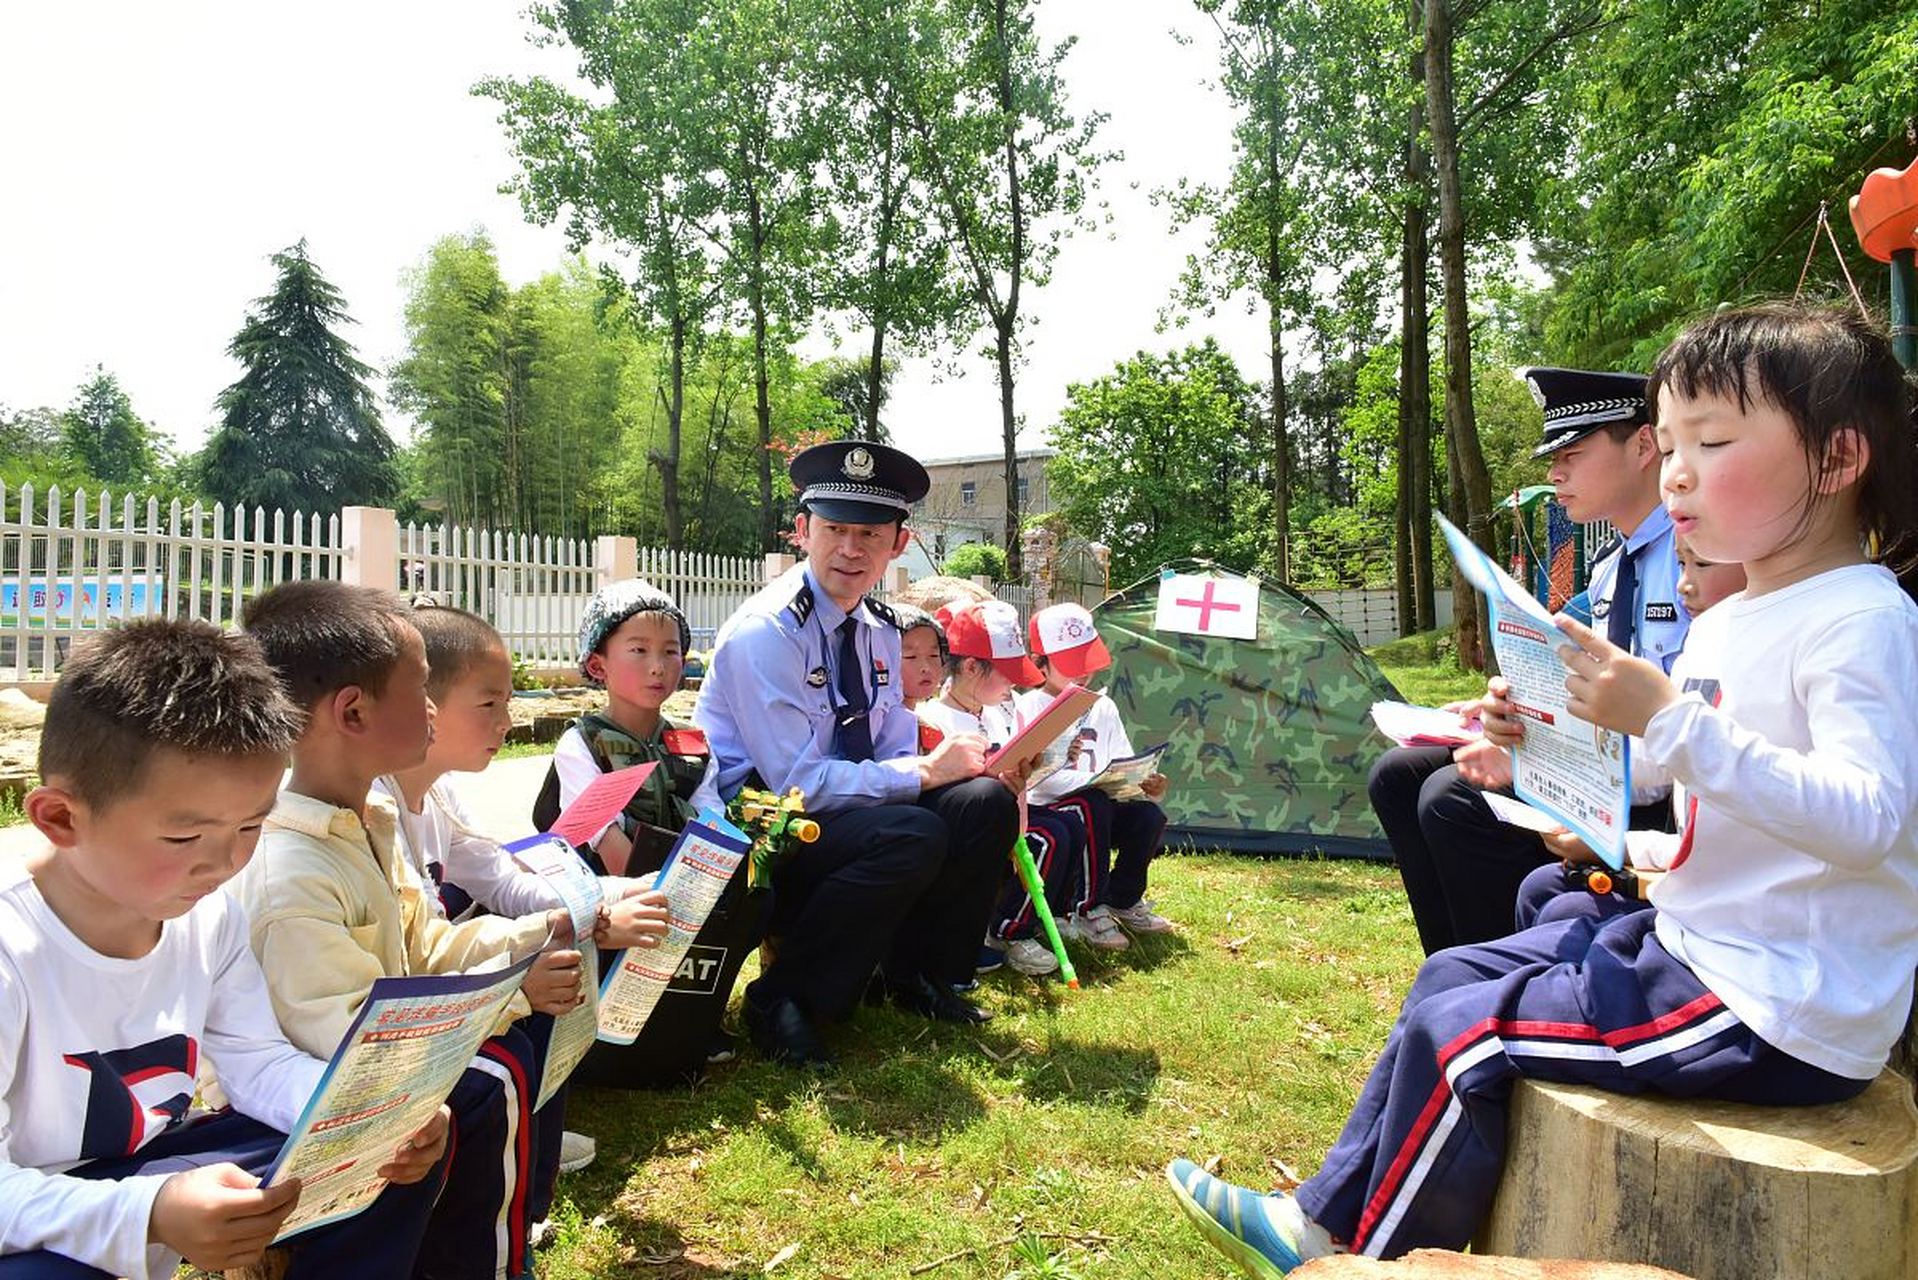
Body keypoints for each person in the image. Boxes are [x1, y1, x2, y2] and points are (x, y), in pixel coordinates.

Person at [1167, 301, 1918, 1273]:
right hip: (1710, 943)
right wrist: (1539, 755)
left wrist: (1663, 717)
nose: (1676, 468)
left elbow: (1870, 820)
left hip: (1779, 1003)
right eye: (1672, 440)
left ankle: (1354, 1250)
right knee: (1471, 955)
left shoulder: (1860, 619)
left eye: (1713, 439)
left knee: (1464, 1028)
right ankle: (1317, 1209)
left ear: (1837, 459)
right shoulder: (1741, 609)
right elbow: (1669, 776)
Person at [1, 620, 447, 1279]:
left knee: (372, 1156)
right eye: (185, 839)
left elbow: (256, 1061)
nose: (223, 863)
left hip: (147, 1165)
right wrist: (148, 1212)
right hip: (30, 1195)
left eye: (250, 825)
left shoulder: (209, 916)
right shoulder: (14, 948)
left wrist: (369, 1111)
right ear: (60, 818)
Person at [233, 580, 584, 1280]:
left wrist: (533, 937)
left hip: (370, 1068)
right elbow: (351, 1040)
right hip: (309, 1106)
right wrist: (515, 989)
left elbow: (428, 949)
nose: (431, 707)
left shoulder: (369, 818)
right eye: (419, 686)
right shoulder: (289, 868)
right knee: (485, 1084)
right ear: (353, 711)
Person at [694, 440, 1019, 1067]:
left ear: (899, 543)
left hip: (840, 813)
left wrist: (972, 766)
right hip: (764, 829)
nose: (850, 549)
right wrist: (923, 772)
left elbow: (890, 740)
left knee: (983, 804)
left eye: (870, 534)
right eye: (834, 529)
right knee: (909, 832)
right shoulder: (767, 632)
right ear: (801, 531)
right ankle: (782, 998)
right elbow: (798, 783)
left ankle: (915, 975)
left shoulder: (878, 627)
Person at [1369, 367, 1691, 954]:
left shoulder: (1696, 559)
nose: (1554, 471)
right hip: (1604, 762)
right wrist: (1507, 706)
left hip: (1651, 795)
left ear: (1644, 445)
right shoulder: (1613, 569)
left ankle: (1504, 982)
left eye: (1573, 451)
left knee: (1451, 802)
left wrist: (1527, 755)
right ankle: (1451, 965)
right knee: (1396, 775)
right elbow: (1574, 677)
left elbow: (1675, 731)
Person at [372, 600, 671, 1231]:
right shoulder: (376, 807)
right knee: (546, 975)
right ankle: (510, 1193)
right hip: (376, 1023)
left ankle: (527, 1145)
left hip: (426, 986)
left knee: (559, 962)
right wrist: (575, 929)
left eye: (509, 702)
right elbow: (418, 952)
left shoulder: (436, 794)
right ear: (422, 702)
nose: (507, 722)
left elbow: (505, 881)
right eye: (489, 705)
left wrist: (609, 899)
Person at [530, 579, 761, 1085]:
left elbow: (710, 813)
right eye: (638, 651)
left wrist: (714, 870)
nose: (658, 666)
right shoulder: (582, 743)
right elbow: (602, 838)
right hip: (616, 887)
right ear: (598, 665)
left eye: (671, 651)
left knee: (756, 901)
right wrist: (660, 887)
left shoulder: (692, 742)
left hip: (689, 877)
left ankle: (699, 1019)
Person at [1511, 534, 1748, 930]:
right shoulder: (1702, 638)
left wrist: (1624, 846)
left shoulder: (1768, 654)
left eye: (1701, 564)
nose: (1683, 584)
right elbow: (1655, 757)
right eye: (1680, 564)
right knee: (1540, 889)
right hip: (1674, 849)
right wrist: (1526, 741)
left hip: (1720, 912)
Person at [914, 599, 1079, 979]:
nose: (1013, 683)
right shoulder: (934, 720)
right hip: (963, 840)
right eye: (1005, 673)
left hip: (1009, 822)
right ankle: (975, 942)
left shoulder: (999, 712)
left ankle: (986, 936)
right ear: (971, 667)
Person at [1022, 602, 1175, 938]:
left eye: (1085, 662)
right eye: (1069, 663)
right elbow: (1036, 780)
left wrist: (1144, 781)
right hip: (1052, 808)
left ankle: (1123, 897)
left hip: (1102, 802)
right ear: (1041, 664)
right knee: (1093, 804)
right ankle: (1087, 908)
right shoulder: (1028, 707)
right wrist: (1091, 783)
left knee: (1149, 816)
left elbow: (1122, 759)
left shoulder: (1103, 705)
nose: (1081, 672)